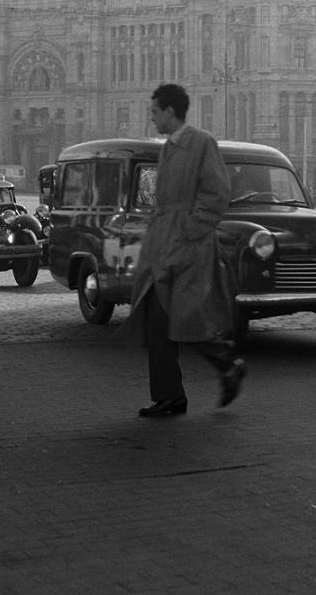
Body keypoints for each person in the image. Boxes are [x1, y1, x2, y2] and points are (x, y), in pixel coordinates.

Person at [120, 83, 245, 418]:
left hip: (190, 248)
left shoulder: (201, 142)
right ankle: (169, 396)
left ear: (170, 112)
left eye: (155, 112)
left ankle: (228, 364)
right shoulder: (169, 148)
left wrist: (190, 230)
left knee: (187, 318)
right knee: (159, 323)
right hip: (163, 244)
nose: (152, 119)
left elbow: (217, 193)